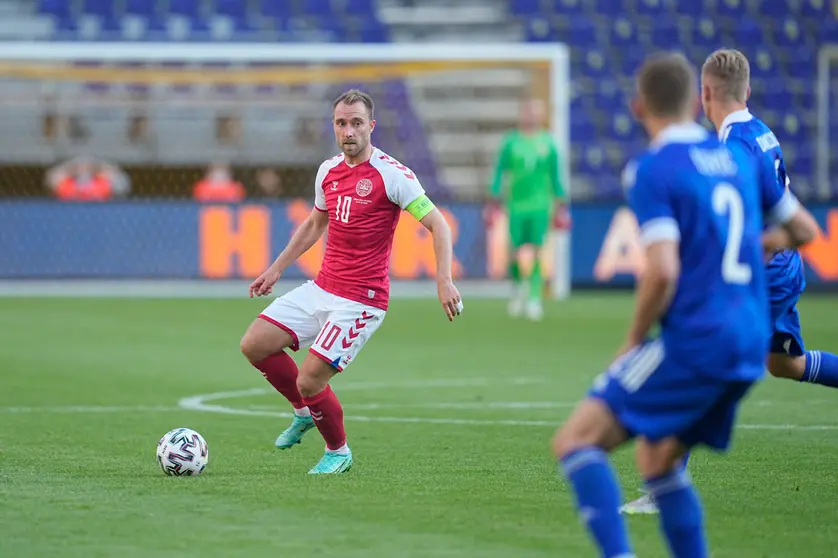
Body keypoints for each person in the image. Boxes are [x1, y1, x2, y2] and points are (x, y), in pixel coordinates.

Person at [551, 52, 814, 557]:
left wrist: (632, 340)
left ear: (637, 107)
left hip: (699, 339)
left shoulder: (652, 168)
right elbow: (804, 231)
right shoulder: (740, 157)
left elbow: (664, 269)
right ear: (696, 102)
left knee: (575, 443)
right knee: (657, 460)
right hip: (748, 333)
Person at [621, 48, 824, 516]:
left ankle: (664, 484)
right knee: (786, 366)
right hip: (782, 265)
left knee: (695, 354)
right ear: (747, 91)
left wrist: (751, 247)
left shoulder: (732, 146)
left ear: (705, 93)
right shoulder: (759, 131)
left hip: (762, 271)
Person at [239, 89, 462, 475]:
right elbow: (314, 224)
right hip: (323, 286)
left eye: (357, 123)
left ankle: (338, 451)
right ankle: (303, 412)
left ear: (371, 126)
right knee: (255, 344)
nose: (348, 131)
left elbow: (438, 224)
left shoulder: (393, 175)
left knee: (310, 379)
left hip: (362, 299)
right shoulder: (328, 171)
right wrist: (275, 269)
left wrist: (444, 280)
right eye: (341, 123)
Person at [487, 97, 568, 321]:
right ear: (522, 114)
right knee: (514, 250)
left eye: (536, 112)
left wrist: (561, 203)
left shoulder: (549, 143)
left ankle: (534, 297)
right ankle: (518, 287)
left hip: (541, 205)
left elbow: (556, 175)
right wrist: (493, 198)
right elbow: (499, 171)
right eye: (528, 112)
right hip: (515, 204)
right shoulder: (511, 142)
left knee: (538, 250)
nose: (531, 116)